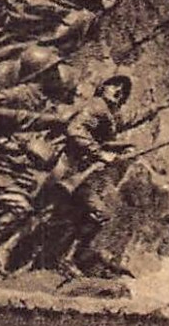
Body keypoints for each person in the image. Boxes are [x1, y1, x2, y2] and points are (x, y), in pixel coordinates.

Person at [49, 75, 133, 277]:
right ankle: (66, 259)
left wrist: (119, 149)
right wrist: (99, 153)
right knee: (99, 214)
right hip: (69, 168)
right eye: (115, 86)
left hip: (80, 171)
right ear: (103, 87)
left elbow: (102, 136)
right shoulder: (97, 106)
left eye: (123, 90)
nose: (119, 91)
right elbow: (75, 129)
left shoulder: (108, 112)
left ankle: (65, 258)